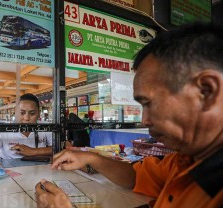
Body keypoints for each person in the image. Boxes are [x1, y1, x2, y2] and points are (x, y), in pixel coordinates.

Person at [35, 23, 223, 208]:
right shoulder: (185, 161)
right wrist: (91, 159)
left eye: (149, 103)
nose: (144, 120)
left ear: (207, 91)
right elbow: (135, 177)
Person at [0, 93, 53, 170]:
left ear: (38, 113)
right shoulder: (4, 129)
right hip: (10, 172)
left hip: (39, 170)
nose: (26, 118)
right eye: (22, 113)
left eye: (32, 113)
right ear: (16, 112)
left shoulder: (46, 127)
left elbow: (57, 148)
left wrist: (33, 151)